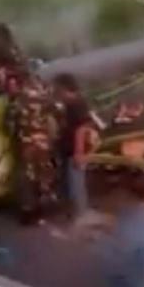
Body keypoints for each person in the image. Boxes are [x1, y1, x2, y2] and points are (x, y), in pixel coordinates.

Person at [6, 68, 62, 224]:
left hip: (28, 143)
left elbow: (9, 124)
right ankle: (48, 208)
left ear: (17, 83)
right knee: (46, 175)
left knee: (28, 178)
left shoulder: (16, 102)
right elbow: (58, 111)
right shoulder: (44, 97)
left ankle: (31, 213)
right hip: (44, 142)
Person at [53, 73, 99, 218]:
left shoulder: (76, 104)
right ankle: (75, 213)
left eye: (57, 88)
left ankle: (81, 215)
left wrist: (78, 152)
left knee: (76, 186)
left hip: (74, 151)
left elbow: (81, 128)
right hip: (68, 151)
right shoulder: (69, 105)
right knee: (70, 184)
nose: (55, 92)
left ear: (65, 88)